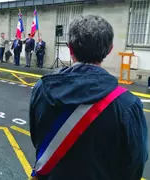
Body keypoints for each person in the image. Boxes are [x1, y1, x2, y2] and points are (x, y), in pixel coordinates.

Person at [29, 15, 148, 180]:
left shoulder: (41, 88)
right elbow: (135, 164)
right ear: (110, 49)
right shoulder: (128, 104)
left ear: (70, 48)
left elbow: (36, 138)